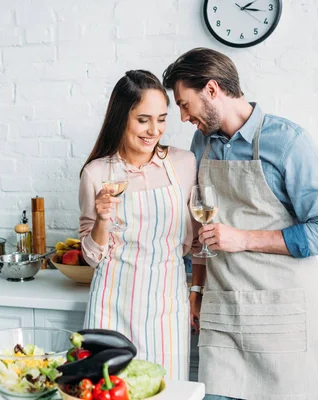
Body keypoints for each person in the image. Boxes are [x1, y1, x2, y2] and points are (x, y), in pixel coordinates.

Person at [162, 48, 318, 400]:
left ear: (212, 89)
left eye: (185, 104)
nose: (183, 117)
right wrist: (196, 290)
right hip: (223, 313)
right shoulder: (203, 142)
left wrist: (243, 238)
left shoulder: (289, 142)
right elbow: (203, 230)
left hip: (283, 318)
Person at [78, 69, 201, 380]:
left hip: (167, 308)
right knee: (108, 391)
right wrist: (102, 220)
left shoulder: (183, 164)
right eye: (143, 119)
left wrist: (197, 290)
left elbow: (196, 243)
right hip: (111, 305)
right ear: (122, 117)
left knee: (166, 391)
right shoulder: (95, 173)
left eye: (161, 118)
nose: (154, 130)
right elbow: (91, 257)